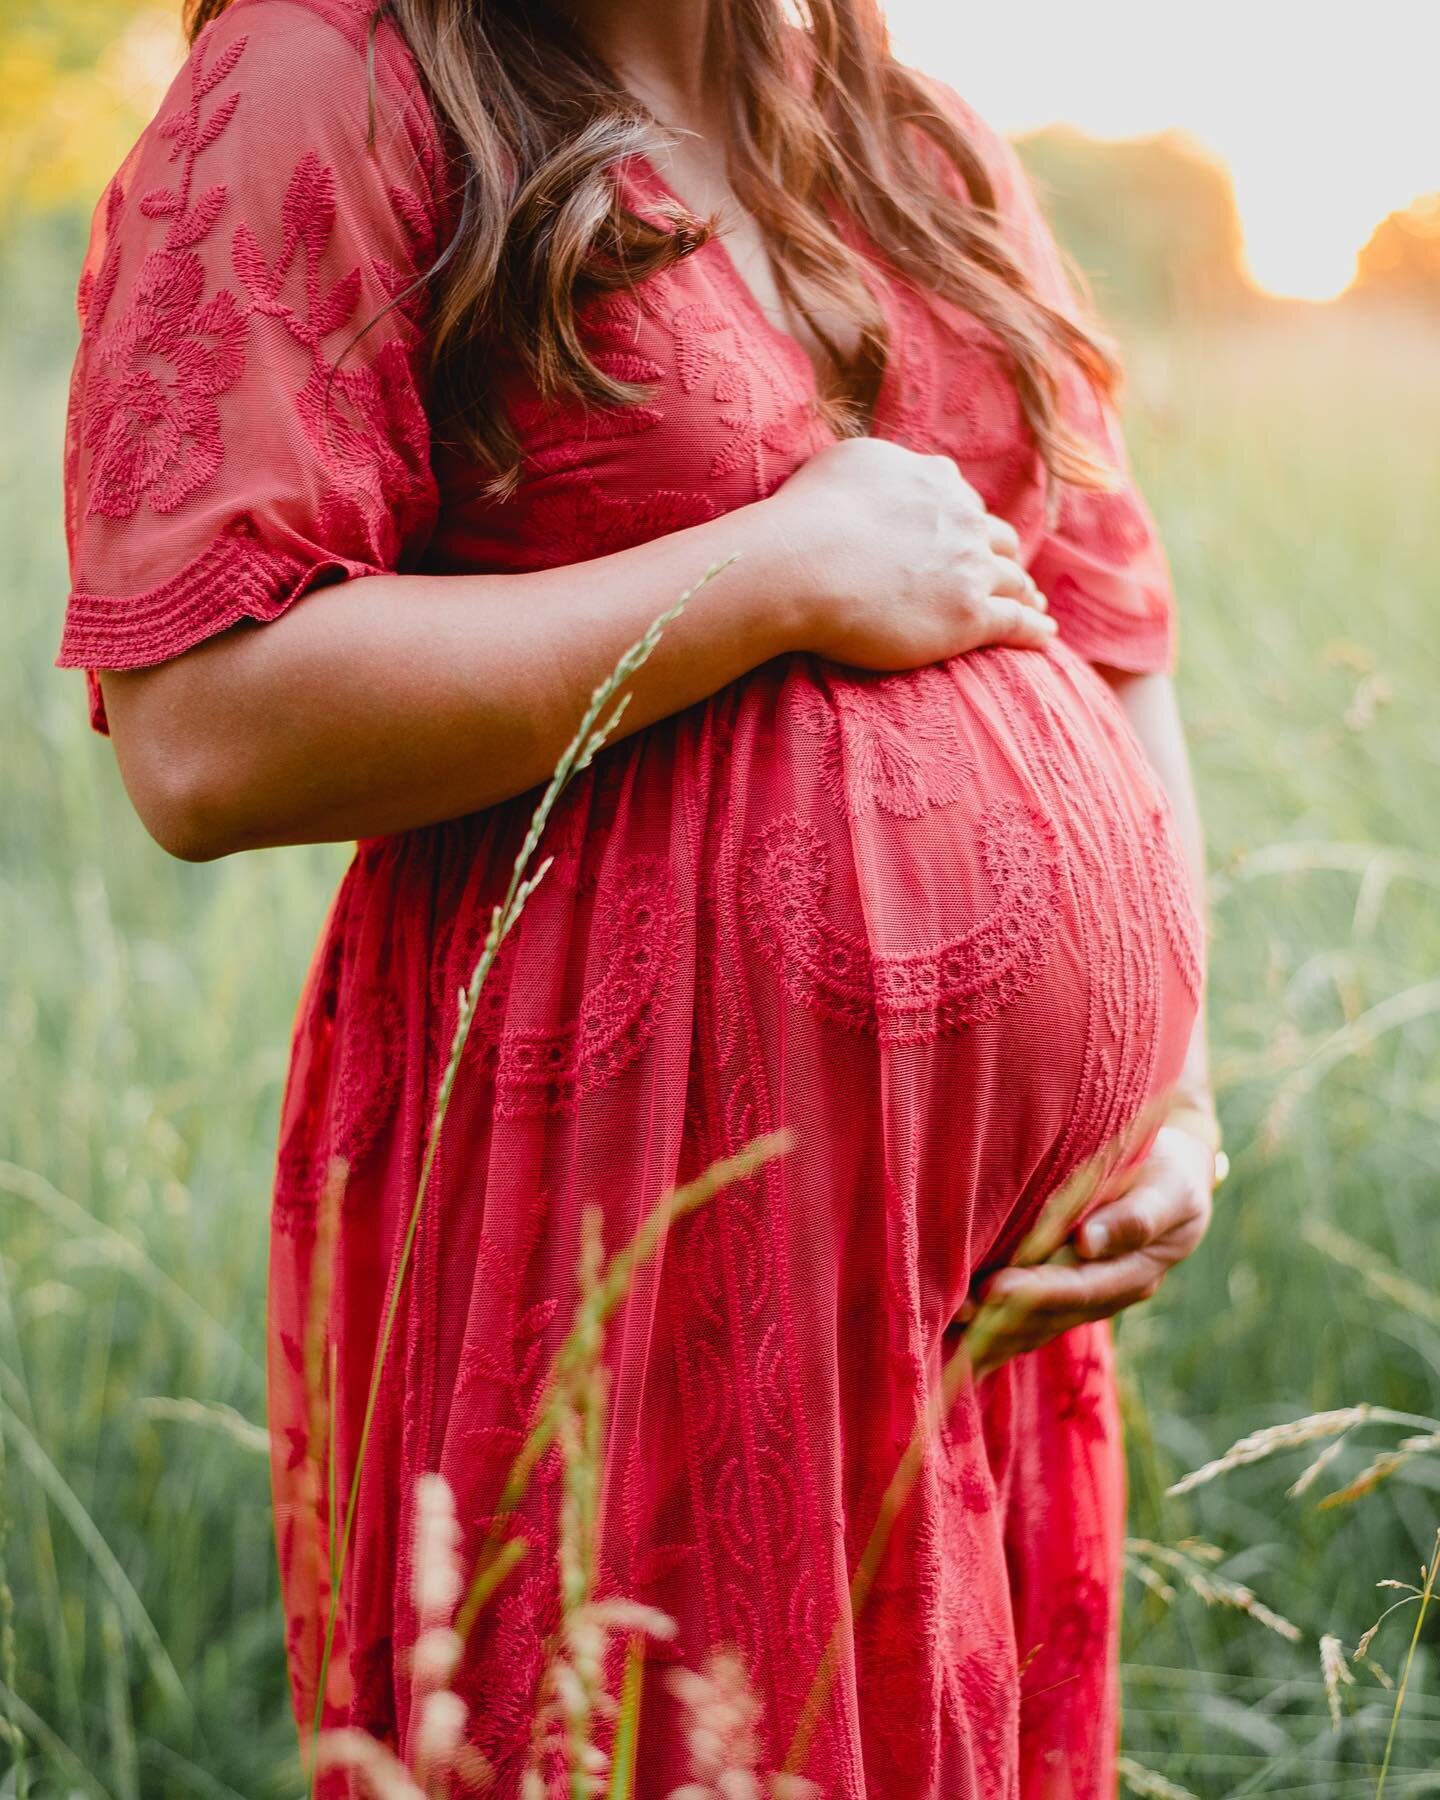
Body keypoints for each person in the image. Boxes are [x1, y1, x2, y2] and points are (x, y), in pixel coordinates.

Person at [57, 0, 1220, 1791]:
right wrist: (770, 573)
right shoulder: (334, 79)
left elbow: (1109, 628)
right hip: (633, 1235)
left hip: (985, 1309)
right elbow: (203, 729)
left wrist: (1177, 1082)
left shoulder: (904, 137)